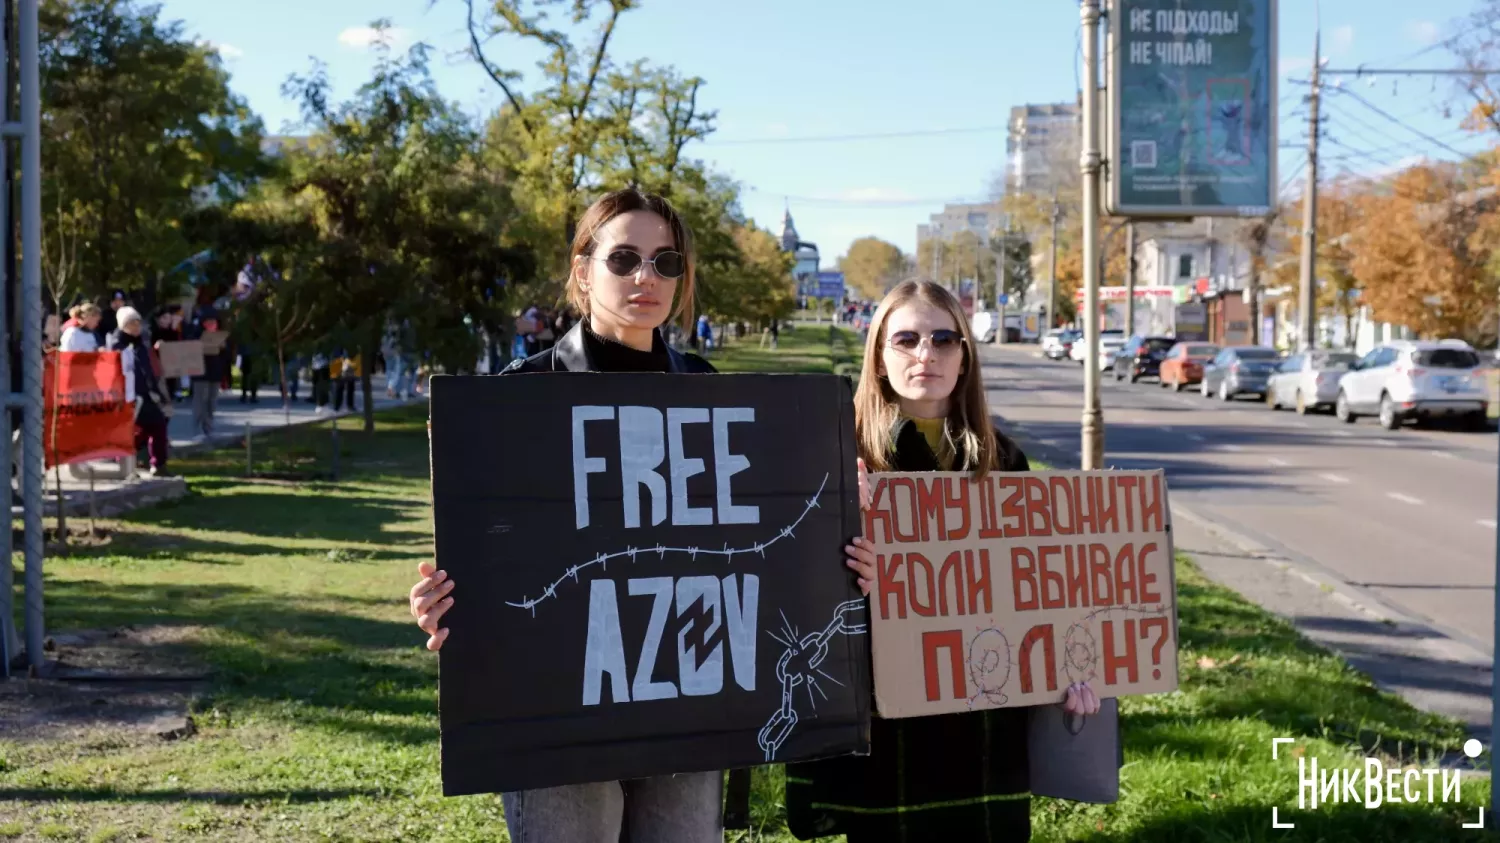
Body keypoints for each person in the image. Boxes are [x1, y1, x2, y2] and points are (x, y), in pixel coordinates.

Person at [407, 187, 723, 843]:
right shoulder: (520, 397)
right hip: (555, 705)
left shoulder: (708, 390)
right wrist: (447, 601)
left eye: (667, 263)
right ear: (583, 270)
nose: (646, 278)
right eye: (624, 258)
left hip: (682, 696)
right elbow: (487, 545)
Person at [784, 279, 1101, 843]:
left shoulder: (1003, 459)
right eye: (905, 339)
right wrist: (842, 545)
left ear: (965, 357)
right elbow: (791, 596)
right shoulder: (837, 453)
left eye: (944, 339)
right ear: (879, 356)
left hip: (983, 725)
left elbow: (1031, 588)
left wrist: (1070, 672)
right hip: (887, 723)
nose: (925, 354)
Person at [107, 307, 172, 477]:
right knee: (139, 430)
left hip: (144, 395)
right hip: (128, 396)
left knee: (154, 427)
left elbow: (147, 371)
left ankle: (156, 464)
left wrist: (158, 392)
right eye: (131, 324)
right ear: (123, 325)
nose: (136, 327)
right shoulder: (116, 345)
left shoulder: (140, 344)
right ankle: (125, 462)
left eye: (137, 323)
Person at [185, 308, 229, 443]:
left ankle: (209, 428)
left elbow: (225, 358)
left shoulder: (221, 336)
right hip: (200, 374)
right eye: (208, 322)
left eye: (214, 322)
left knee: (211, 402)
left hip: (214, 374)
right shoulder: (196, 335)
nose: (211, 325)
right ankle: (197, 429)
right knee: (200, 402)